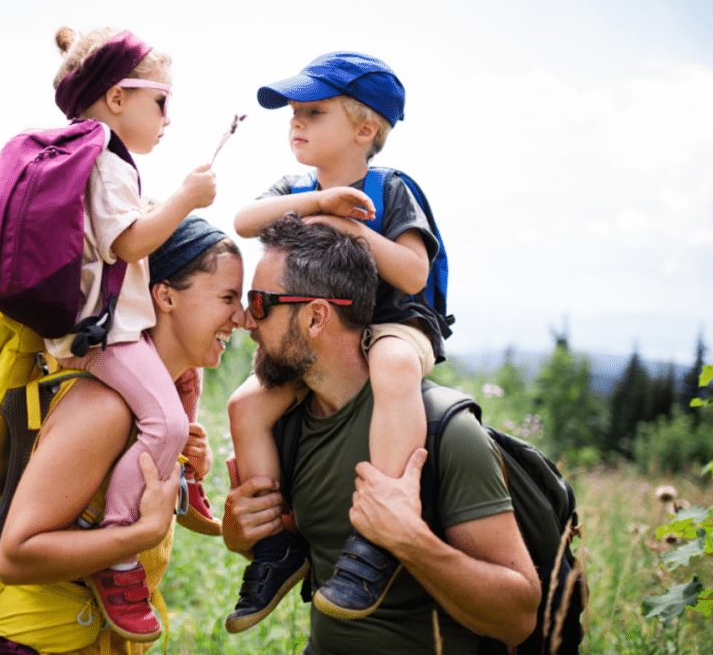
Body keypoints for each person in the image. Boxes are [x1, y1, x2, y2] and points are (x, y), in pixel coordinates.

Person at [222, 215, 540, 654]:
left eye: (260, 304)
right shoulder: (286, 428)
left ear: (316, 317)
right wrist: (247, 538)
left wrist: (412, 543)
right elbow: (316, 550)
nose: (246, 321)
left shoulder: (445, 431)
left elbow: (519, 617)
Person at [226, 51, 449, 630]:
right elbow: (245, 221)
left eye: (312, 112)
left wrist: (350, 226)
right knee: (245, 404)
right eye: (293, 112)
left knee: (394, 367)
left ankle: (381, 530)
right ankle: (277, 544)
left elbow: (413, 274)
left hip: (393, 324)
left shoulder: (392, 189)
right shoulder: (295, 189)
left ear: (364, 128)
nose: (295, 122)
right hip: (322, 332)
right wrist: (318, 204)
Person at [0, 216, 246, 655]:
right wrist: (133, 538)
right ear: (165, 296)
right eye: (227, 297)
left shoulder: (159, 413)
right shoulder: (105, 408)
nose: (242, 316)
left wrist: (186, 477)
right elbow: (14, 555)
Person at [45, 26, 222, 641]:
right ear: (117, 99)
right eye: (162, 102)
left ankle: (183, 482)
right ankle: (119, 553)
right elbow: (130, 243)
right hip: (107, 332)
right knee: (167, 423)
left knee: (188, 380)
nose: (168, 117)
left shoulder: (103, 160)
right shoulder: (105, 163)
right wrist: (186, 199)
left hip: (121, 323)